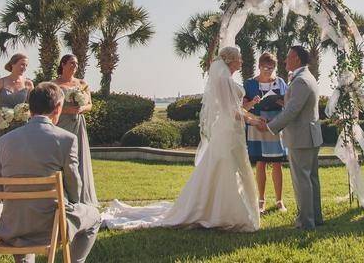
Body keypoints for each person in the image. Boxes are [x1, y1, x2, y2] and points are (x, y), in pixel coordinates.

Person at [102, 46, 261, 232]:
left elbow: (233, 108)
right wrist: (254, 120)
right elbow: (231, 111)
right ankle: (222, 213)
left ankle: (217, 208)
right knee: (226, 168)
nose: (241, 62)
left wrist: (251, 112)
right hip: (228, 131)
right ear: (231, 60)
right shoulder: (224, 78)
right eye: (239, 59)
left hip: (228, 130)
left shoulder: (225, 77)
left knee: (222, 168)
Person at [0, 82, 102, 263]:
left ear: (30, 106)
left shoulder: (5, 140)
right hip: (51, 226)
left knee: (25, 215)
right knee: (95, 217)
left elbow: (0, 185)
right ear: (58, 108)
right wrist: (74, 202)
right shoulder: (66, 139)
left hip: (14, 225)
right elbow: (74, 187)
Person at [256, 45, 323, 230]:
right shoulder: (306, 77)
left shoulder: (301, 80)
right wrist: (283, 101)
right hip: (309, 135)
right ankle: (315, 218)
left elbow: (293, 111)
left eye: (288, 57)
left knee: (302, 180)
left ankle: (305, 222)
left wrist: (270, 127)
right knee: (311, 179)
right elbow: (296, 105)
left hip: (301, 137)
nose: (285, 60)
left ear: (297, 59)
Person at [243, 51, 289, 213]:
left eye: (271, 68)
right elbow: (243, 107)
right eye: (265, 67)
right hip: (257, 124)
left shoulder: (281, 82)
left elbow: (288, 104)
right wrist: (253, 104)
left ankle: (279, 200)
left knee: (277, 162)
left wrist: (281, 102)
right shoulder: (249, 84)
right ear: (259, 66)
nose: (268, 71)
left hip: (276, 124)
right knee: (260, 162)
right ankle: (261, 200)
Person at [52, 54, 97, 205]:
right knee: (62, 156)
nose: (75, 66)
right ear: (63, 64)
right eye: (72, 63)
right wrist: (67, 110)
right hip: (61, 123)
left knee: (78, 156)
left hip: (78, 123)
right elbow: (51, 107)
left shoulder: (82, 83)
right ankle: (62, 193)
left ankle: (82, 196)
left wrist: (81, 108)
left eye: (76, 64)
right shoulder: (54, 84)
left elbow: (90, 104)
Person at [0, 53, 33, 141]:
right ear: (13, 64)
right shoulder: (0, 82)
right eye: (22, 64)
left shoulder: (28, 84)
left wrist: (26, 114)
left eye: (26, 65)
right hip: (2, 126)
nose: (24, 67)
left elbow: (33, 106)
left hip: (21, 127)